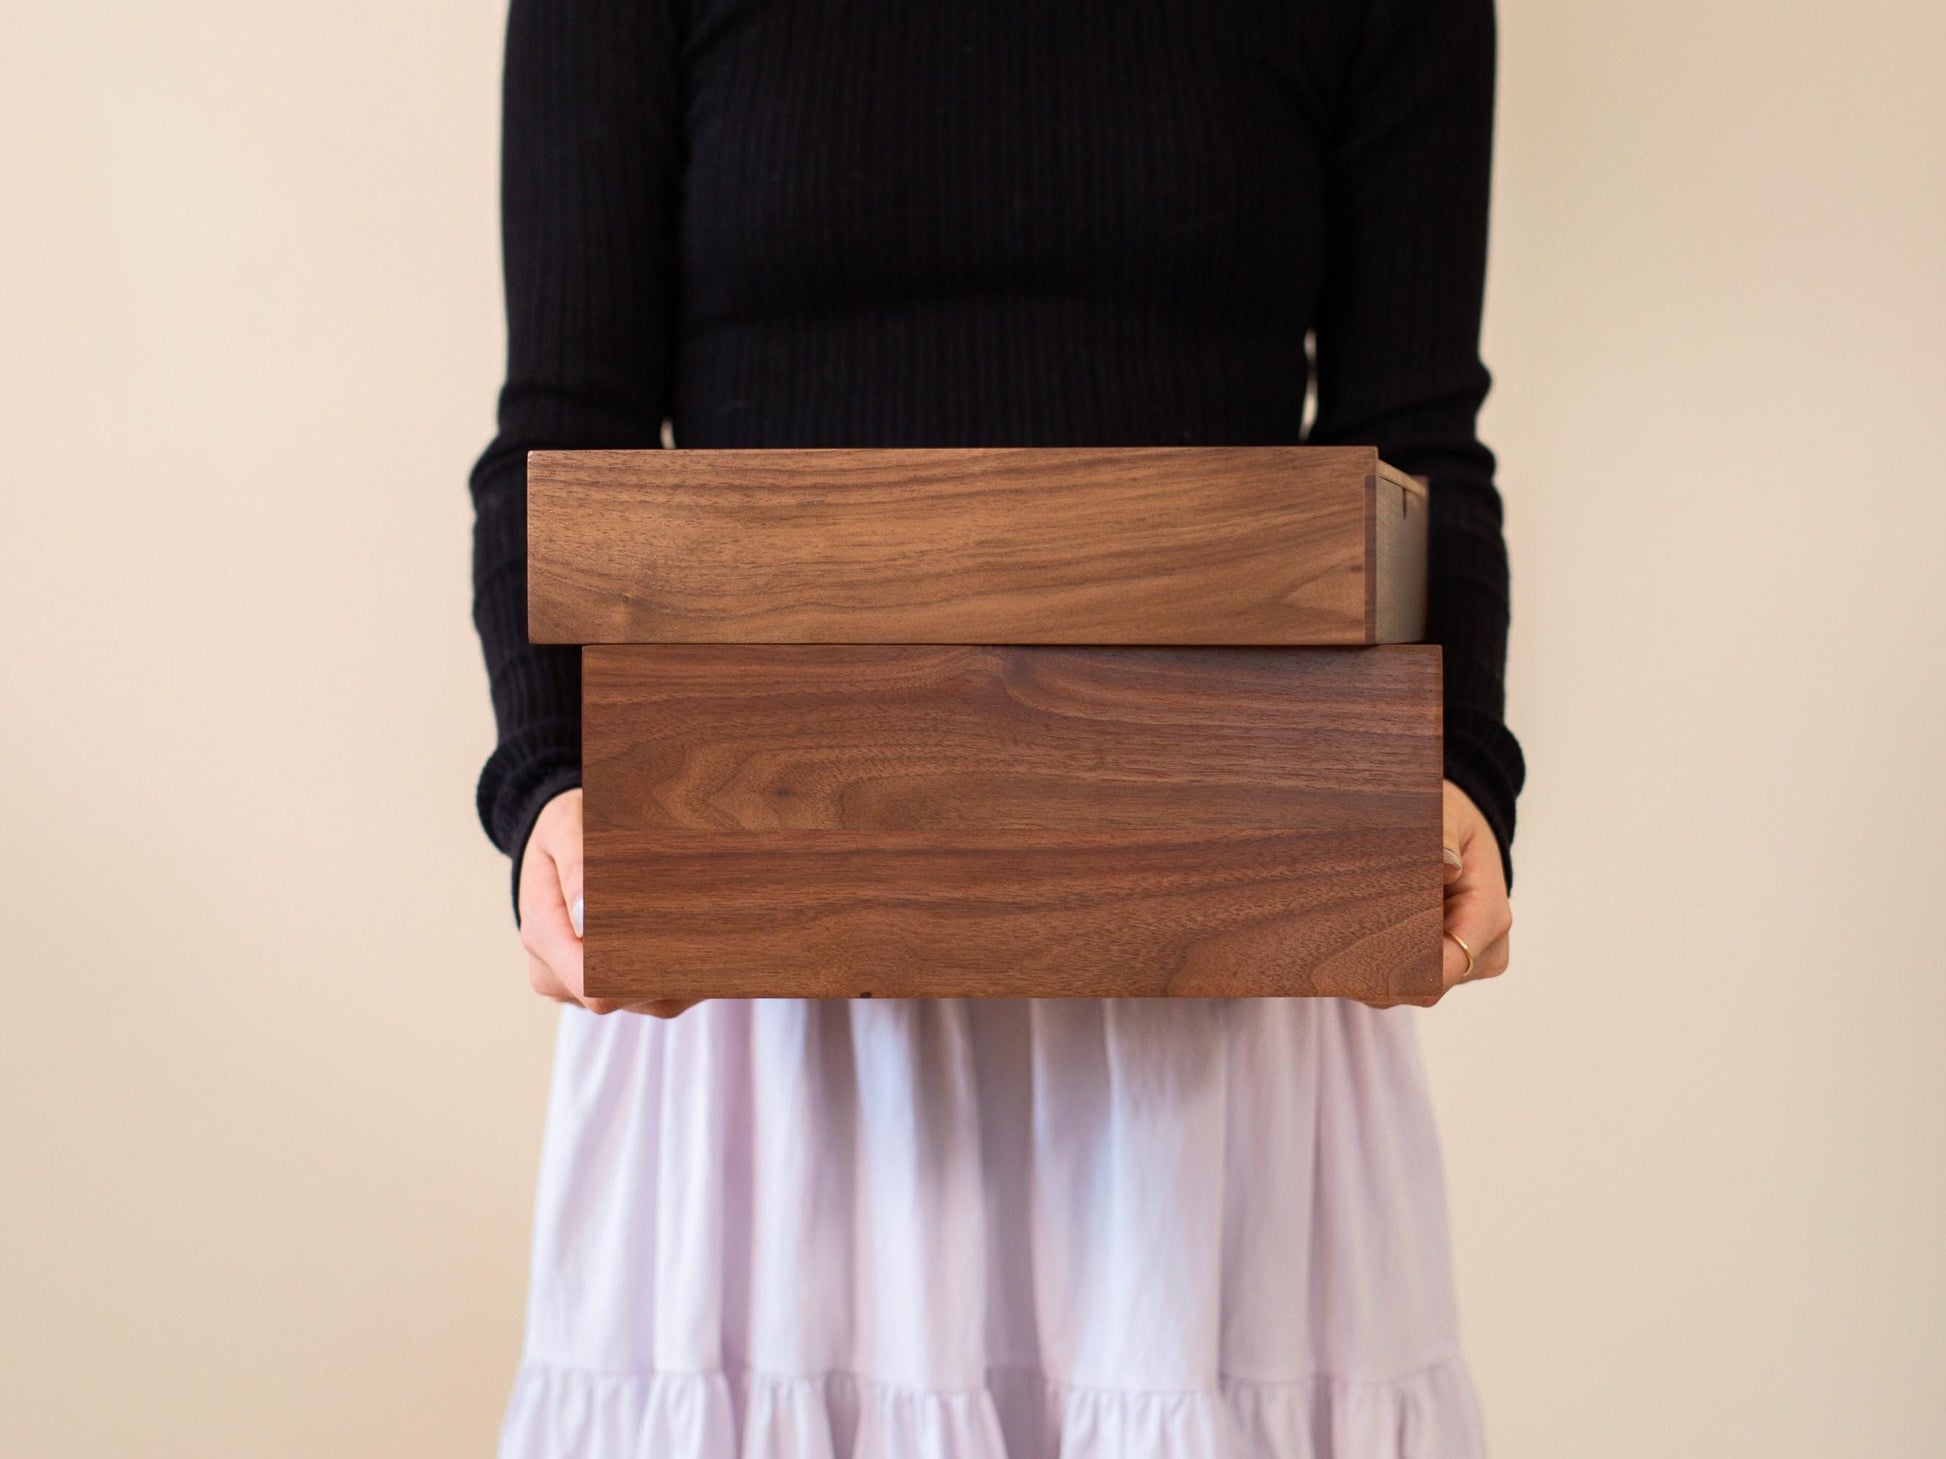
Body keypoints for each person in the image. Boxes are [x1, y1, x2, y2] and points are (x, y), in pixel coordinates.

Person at [467, 0, 1525, 1453]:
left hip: (1217, 951)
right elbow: (559, 428)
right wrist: (551, 786)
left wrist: (1457, 766)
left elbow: (1417, 439)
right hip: (765, 982)